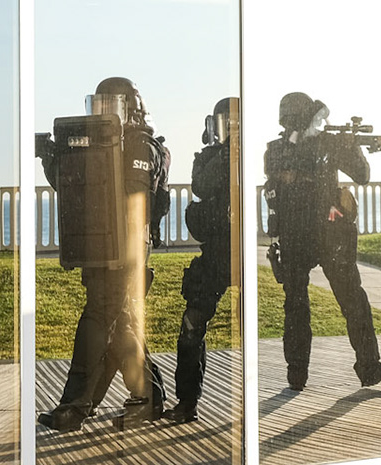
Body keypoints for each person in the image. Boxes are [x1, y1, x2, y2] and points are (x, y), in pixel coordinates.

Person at [36, 76, 169, 432]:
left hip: (126, 250)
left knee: (97, 319)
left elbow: (126, 197)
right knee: (120, 326)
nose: (103, 115)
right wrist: (54, 158)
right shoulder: (103, 144)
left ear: (131, 109)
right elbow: (80, 189)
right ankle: (148, 398)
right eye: (98, 107)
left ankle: (74, 406)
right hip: (101, 246)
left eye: (110, 108)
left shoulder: (143, 147)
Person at [264, 92, 381, 390]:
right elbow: (362, 175)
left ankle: (296, 374)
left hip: (294, 237)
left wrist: (347, 145)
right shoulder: (326, 145)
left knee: (296, 305)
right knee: (353, 300)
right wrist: (352, 149)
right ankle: (368, 366)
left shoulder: (274, 151)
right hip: (330, 234)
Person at [167, 97, 237, 425]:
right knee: (192, 324)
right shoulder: (208, 158)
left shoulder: (253, 155)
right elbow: (202, 185)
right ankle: (186, 401)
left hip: (243, 251)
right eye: (226, 124)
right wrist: (223, 154)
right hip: (214, 252)